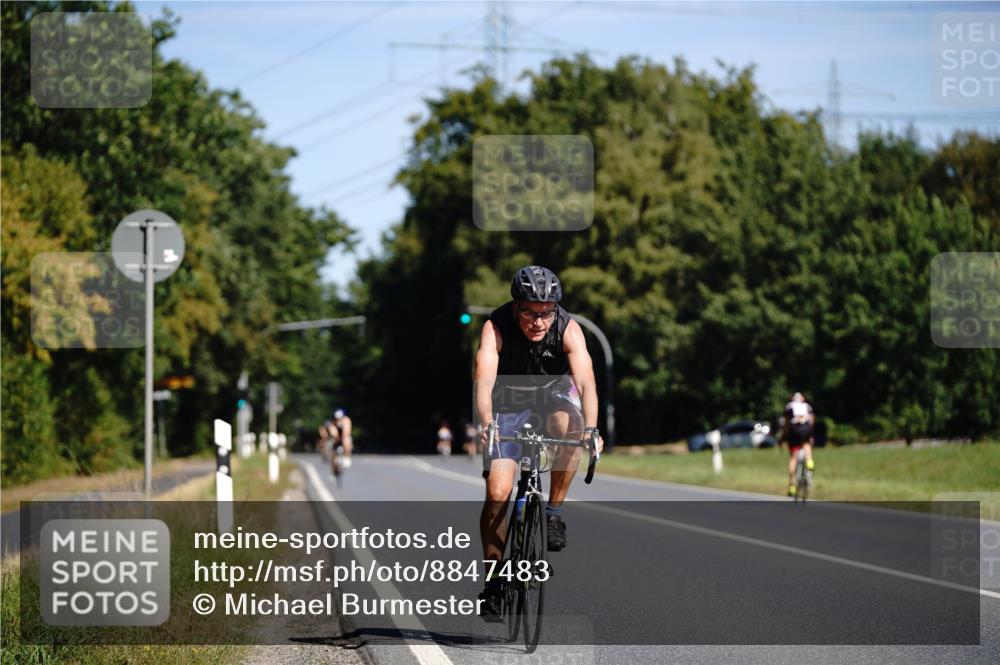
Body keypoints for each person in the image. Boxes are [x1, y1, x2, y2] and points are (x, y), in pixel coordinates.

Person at [473, 265, 603, 621]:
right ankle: (495, 582)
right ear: (516, 306)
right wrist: (487, 424)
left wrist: (592, 429)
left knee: (572, 425)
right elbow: (483, 383)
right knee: (498, 493)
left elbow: (588, 384)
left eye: (546, 313)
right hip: (507, 405)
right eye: (530, 312)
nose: (538, 322)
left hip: (553, 400)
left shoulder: (569, 329)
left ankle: (553, 512)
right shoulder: (495, 327)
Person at [782, 392, 816, 496]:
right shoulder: (807, 406)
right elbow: (811, 421)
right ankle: (810, 461)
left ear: (792, 398)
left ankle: (792, 485)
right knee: (806, 444)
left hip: (794, 429)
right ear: (802, 398)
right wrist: (810, 436)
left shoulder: (789, 406)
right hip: (806, 428)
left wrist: (784, 437)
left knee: (793, 457)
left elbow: (785, 422)